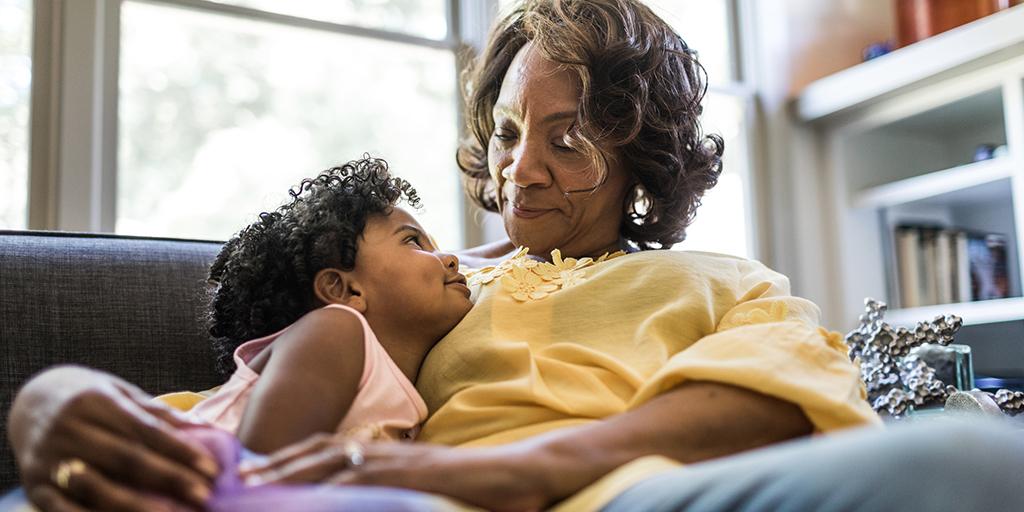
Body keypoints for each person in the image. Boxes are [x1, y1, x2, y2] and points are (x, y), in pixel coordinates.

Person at [9, 1, 1023, 511]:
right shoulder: (423, 289)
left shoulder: (724, 280)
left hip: (632, 497)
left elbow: (773, 402)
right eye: (504, 132)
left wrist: (492, 467)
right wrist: (44, 397)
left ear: (641, 163)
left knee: (968, 458)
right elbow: (245, 415)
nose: (518, 170)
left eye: (567, 139)